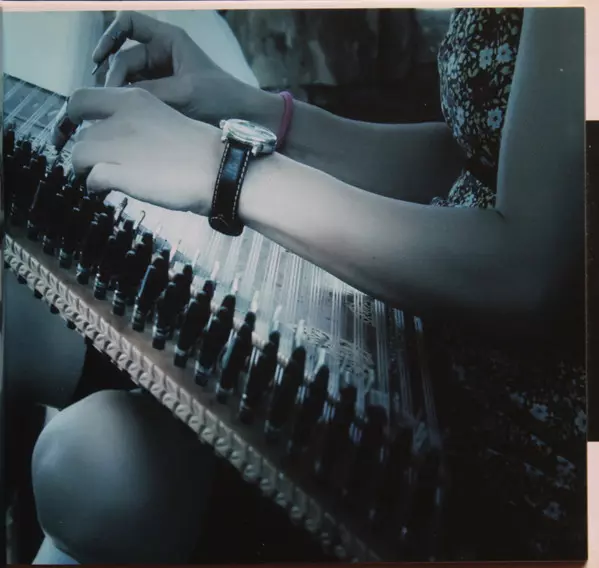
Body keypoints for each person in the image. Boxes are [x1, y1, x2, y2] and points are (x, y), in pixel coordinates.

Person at [47, 7, 586, 561]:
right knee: (38, 346)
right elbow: (475, 163)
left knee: (90, 465)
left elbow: (528, 271)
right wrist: (254, 111)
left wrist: (226, 169)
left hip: (503, 480)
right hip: (423, 363)